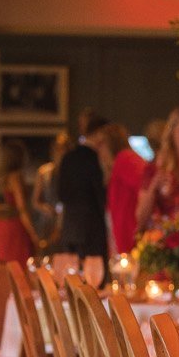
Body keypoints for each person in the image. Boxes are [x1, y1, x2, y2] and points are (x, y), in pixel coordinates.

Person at [56, 110, 109, 266]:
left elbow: (61, 194)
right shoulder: (95, 159)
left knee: (71, 282)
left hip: (69, 228)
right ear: (99, 133)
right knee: (91, 284)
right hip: (91, 230)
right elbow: (101, 197)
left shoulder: (67, 157)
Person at [93, 122, 148, 256]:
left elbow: (145, 184)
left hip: (131, 238)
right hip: (125, 239)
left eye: (101, 144)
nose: (98, 150)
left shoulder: (125, 159)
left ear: (110, 143)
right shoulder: (119, 163)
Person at [0, 137, 40, 265]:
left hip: (0, 227)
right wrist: (33, 234)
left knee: (2, 267)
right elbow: (21, 209)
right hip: (14, 228)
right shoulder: (15, 177)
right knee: (18, 269)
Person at [31, 130, 71, 247]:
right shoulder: (45, 172)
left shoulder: (72, 172)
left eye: (63, 149)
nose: (60, 152)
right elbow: (35, 201)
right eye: (58, 149)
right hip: (48, 220)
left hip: (66, 221)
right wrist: (45, 208)